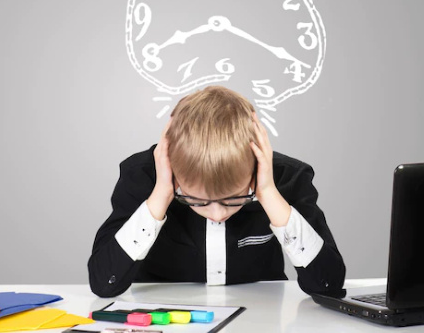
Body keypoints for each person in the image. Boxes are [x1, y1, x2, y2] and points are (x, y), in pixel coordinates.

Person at [88, 86, 346, 298]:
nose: (217, 214)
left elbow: (328, 285)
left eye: (234, 199)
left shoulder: (289, 178)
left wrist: (268, 194)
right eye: (196, 200)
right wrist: (161, 194)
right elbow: (104, 283)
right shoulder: (142, 176)